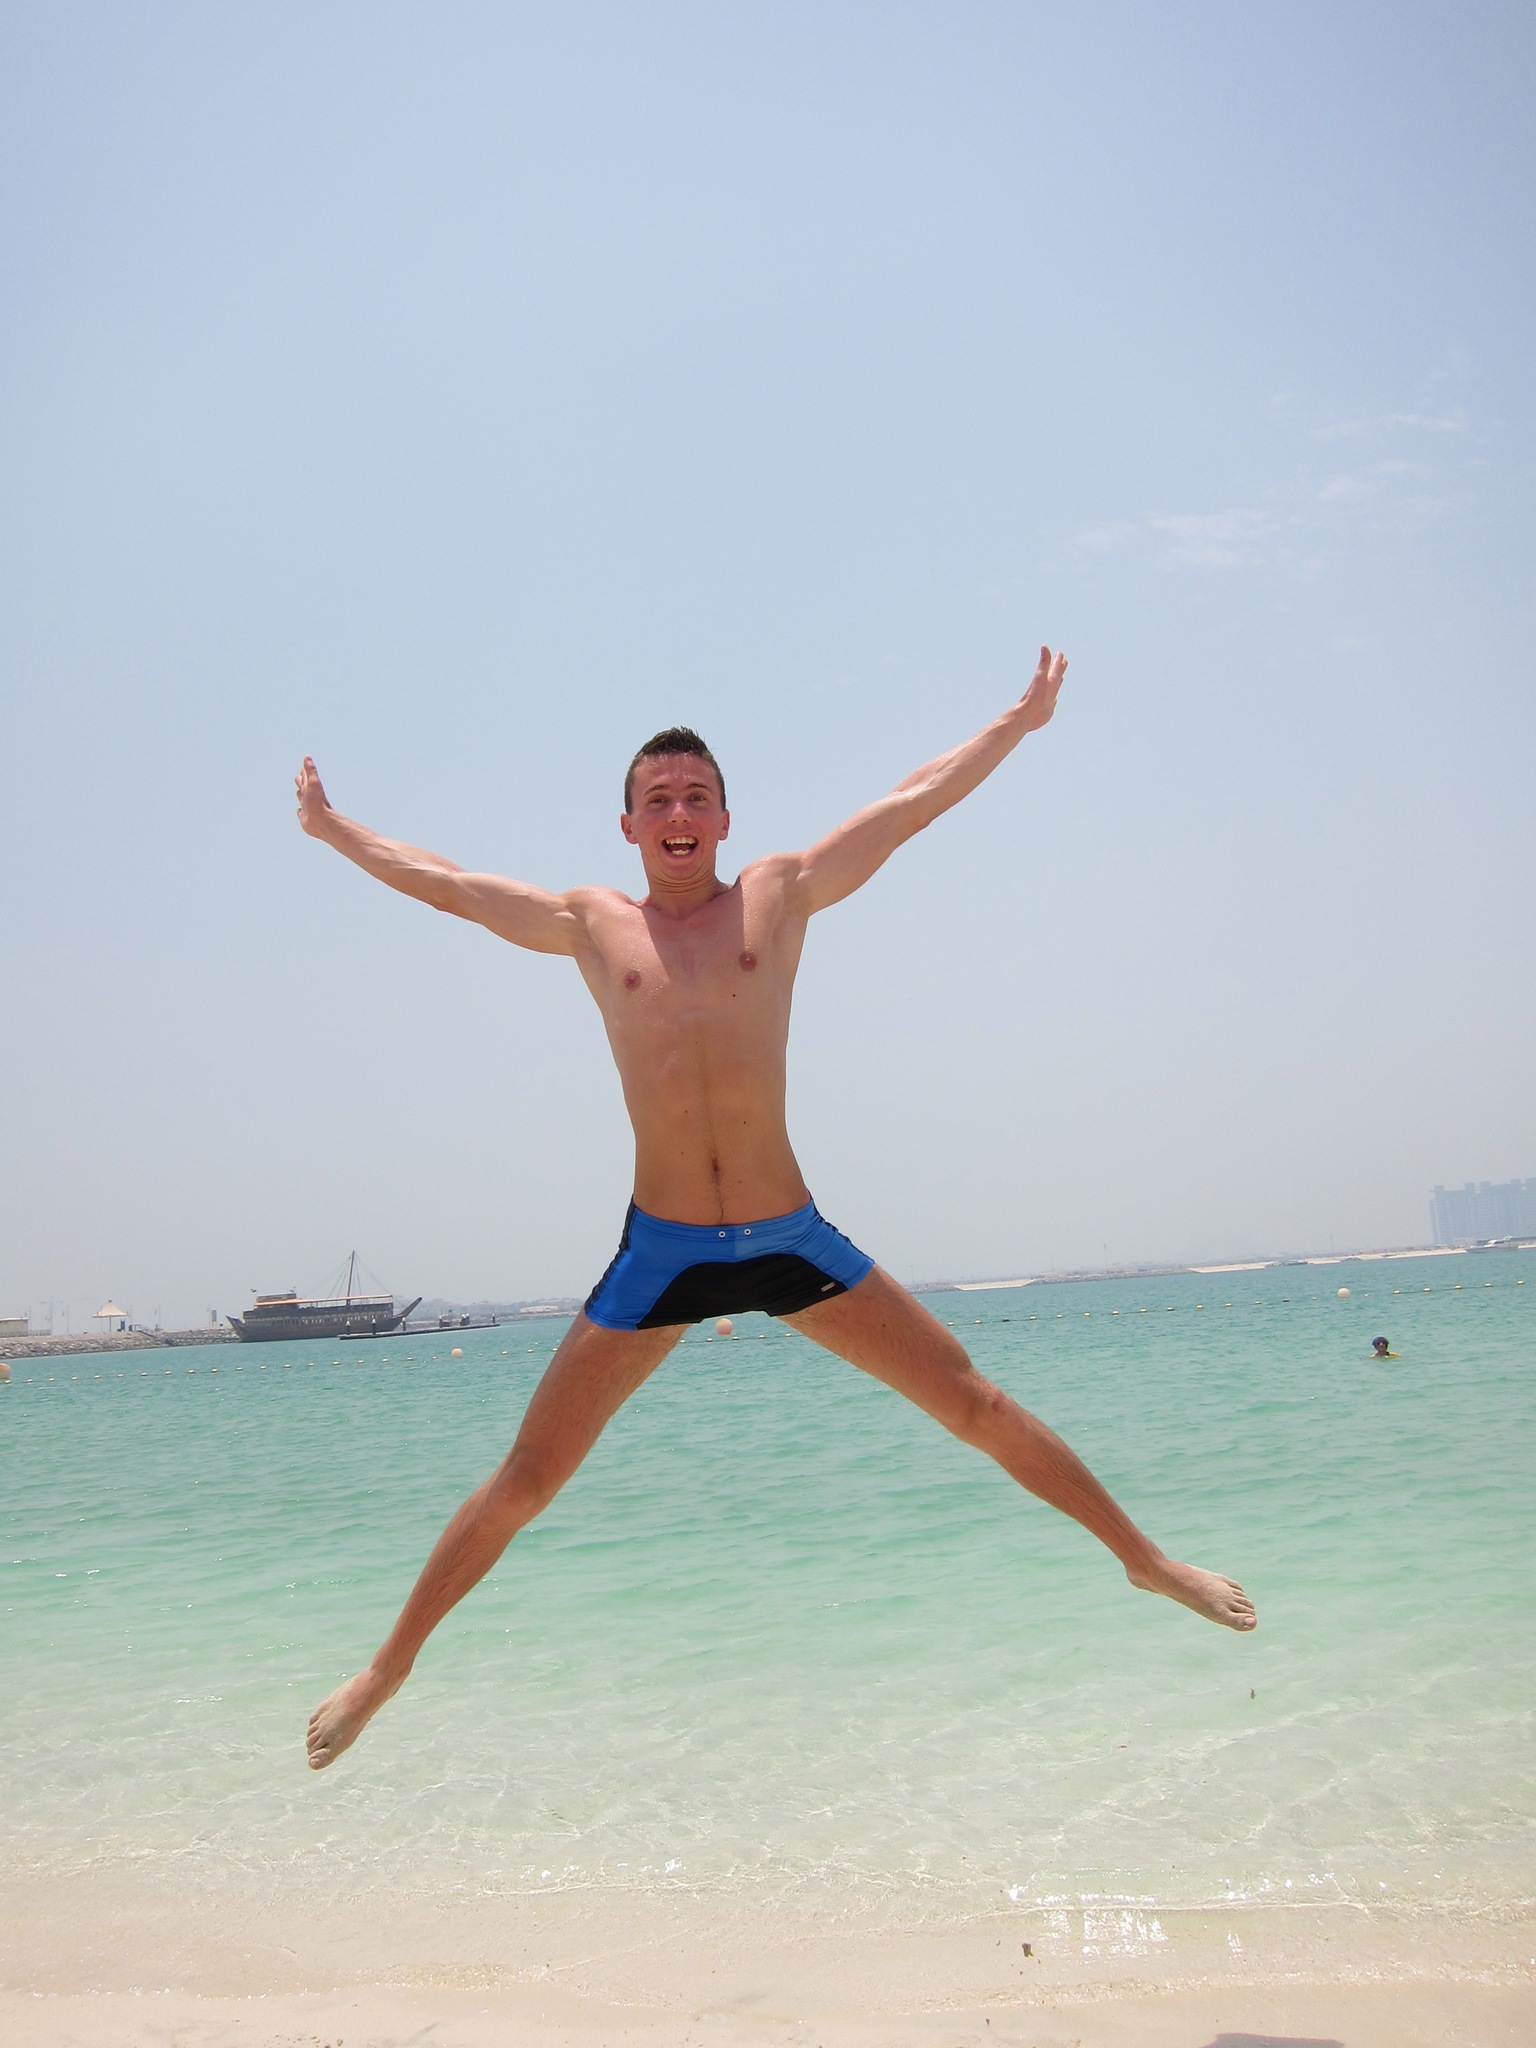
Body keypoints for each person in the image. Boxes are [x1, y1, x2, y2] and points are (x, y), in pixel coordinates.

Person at [296, 647, 1256, 1770]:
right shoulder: (591, 923)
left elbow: (910, 804)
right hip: (662, 1252)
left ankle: (1145, 1559)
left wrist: (1017, 723)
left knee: (977, 1403)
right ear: (628, 826)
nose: (679, 813)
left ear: (725, 817)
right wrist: (335, 828)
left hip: (789, 1233)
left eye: (697, 796)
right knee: (528, 1478)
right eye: (658, 799)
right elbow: (446, 880)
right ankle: (387, 1669)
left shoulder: (780, 892)